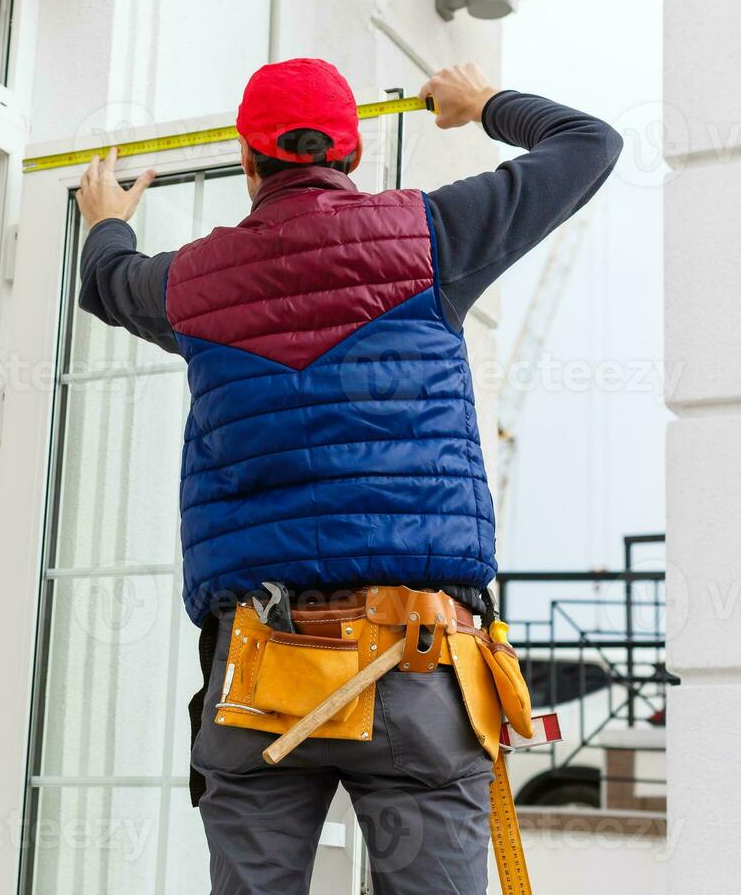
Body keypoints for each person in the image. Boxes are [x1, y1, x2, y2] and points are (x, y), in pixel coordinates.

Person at [75, 58, 621, 894]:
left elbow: (108, 283)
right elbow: (589, 142)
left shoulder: (190, 284)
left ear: (248, 164)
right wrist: (481, 105)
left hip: (258, 671)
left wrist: (108, 220)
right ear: (354, 152)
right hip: (419, 663)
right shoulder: (434, 236)